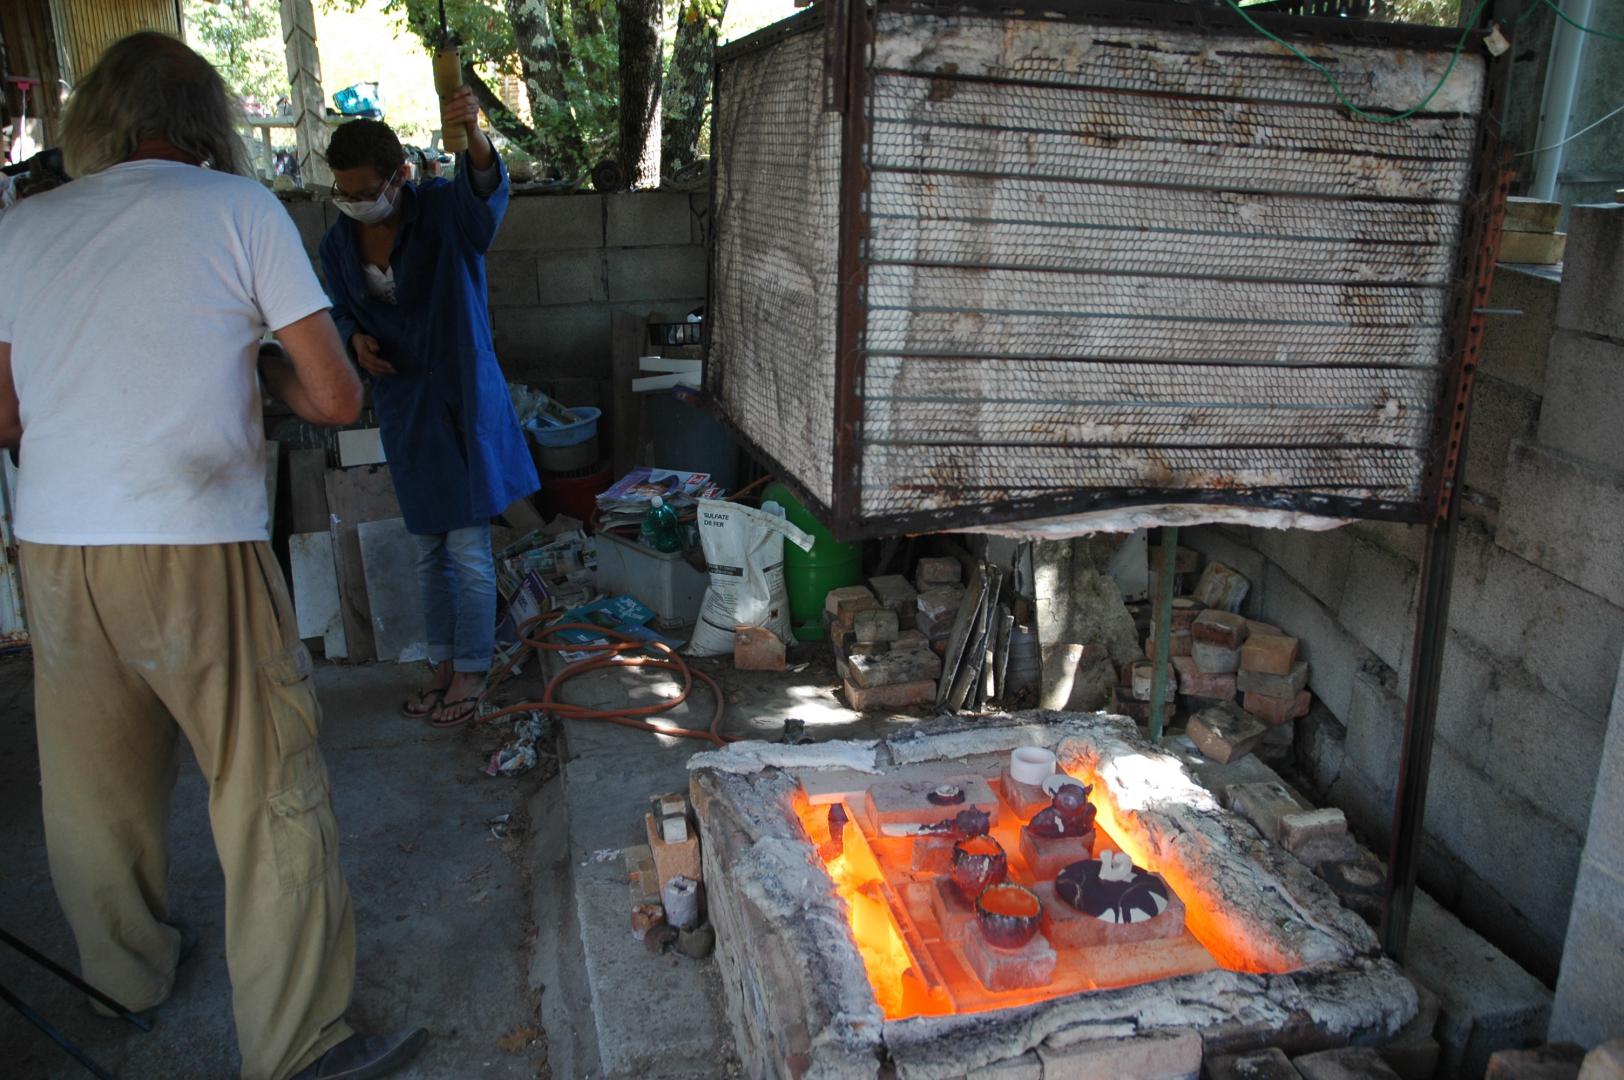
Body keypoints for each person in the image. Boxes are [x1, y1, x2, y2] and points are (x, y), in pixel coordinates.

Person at [0, 33, 426, 1080]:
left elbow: (5, 417)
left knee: (92, 789)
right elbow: (336, 397)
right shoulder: (239, 209)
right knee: (265, 783)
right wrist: (261, 368)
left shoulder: (24, 225)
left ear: (96, 121)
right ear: (207, 121)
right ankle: (300, 1044)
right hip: (195, 542)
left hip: (56, 547)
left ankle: (124, 978)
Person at [319, 95, 538, 728]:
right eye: (344, 193)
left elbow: (485, 196)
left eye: (367, 191)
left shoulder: (442, 211)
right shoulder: (337, 244)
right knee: (426, 550)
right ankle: (443, 665)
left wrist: (472, 132)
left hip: (461, 395)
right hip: (405, 404)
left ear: (401, 176)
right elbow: (339, 309)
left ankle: (472, 669)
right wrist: (354, 339)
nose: (356, 202)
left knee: (468, 547)